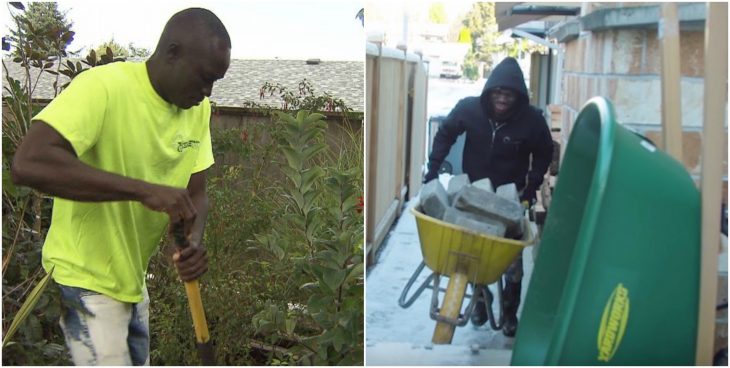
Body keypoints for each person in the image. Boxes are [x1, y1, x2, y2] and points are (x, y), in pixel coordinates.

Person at [11, 8, 231, 365]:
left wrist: (192, 241)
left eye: (215, 82)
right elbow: (28, 163)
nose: (207, 92)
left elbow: (196, 192)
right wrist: (144, 190)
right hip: (85, 278)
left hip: (131, 280)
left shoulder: (196, 111)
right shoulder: (104, 87)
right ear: (172, 52)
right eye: (204, 78)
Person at [424, 57, 553, 337]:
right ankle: (482, 303)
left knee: (511, 265)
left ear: (518, 97)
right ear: (489, 91)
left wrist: (532, 185)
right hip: (473, 195)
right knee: (472, 254)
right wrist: (432, 169)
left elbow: (544, 152)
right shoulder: (470, 110)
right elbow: (445, 134)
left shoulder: (531, 120)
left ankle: (509, 313)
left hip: (510, 198)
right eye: (497, 92)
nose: (502, 99)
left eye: (509, 94)